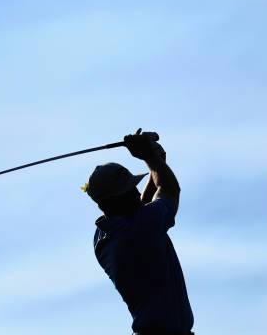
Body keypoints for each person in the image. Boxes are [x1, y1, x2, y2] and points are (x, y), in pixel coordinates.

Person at [83, 129, 194, 335]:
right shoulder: (140, 228)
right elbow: (169, 189)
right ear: (114, 201)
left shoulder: (104, 237)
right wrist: (151, 159)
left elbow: (141, 208)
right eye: (129, 190)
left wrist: (156, 162)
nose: (136, 191)